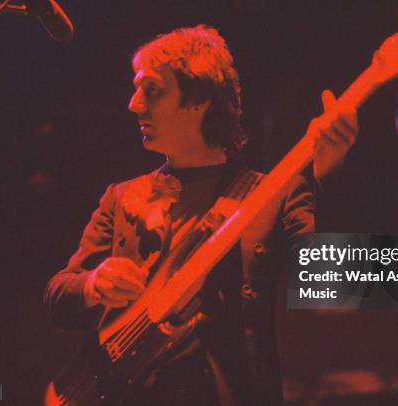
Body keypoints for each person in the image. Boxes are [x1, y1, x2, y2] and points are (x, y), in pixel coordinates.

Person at [44, 25, 358, 405]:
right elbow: (57, 298)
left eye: (153, 90)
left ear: (199, 99)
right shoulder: (121, 197)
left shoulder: (273, 195)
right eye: (137, 88)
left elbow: (336, 284)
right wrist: (92, 285)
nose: (134, 104)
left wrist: (329, 174)